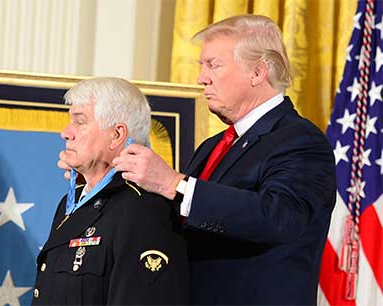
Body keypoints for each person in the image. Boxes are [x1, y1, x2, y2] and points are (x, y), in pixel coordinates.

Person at [112, 15, 336, 305]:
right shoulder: (212, 146)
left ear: (258, 72)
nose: (201, 78)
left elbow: (279, 217)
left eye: (213, 65)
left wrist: (173, 183)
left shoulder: (301, 141)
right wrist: (106, 177)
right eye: (201, 66)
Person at [33, 77, 189, 305]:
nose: (66, 132)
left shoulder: (143, 208)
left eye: (80, 122)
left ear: (116, 135)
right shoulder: (73, 201)